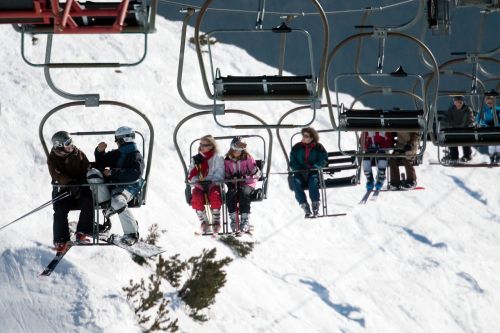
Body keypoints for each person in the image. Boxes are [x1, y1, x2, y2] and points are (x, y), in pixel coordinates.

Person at [94, 126, 144, 245]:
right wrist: (99, 152)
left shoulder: (135, 155)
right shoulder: (118, 153)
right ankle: (104, 222)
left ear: (123, 140)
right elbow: (101, 162)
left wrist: (113, 172)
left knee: (117, 201)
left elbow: (135, 174)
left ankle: (132, 234)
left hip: (130, 186)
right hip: (116, 185)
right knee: (95, 181)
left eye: (117, 139)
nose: (116, 142)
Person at [48, 131, 93, 252]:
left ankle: (82, 231)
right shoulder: (53, 159)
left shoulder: (77, 153)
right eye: (67, 143)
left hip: (81, 187)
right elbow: (56, 175)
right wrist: (69, 183)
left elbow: (87, 168)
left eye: (71, 141)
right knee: (60, 209)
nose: (71, 145)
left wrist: (81, 182)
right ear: (59, 145)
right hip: (65, 189)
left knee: (88, 200)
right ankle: (61, 239)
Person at [188, 135, 224, 234]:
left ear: (212, 146)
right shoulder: (196, 159)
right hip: (200, 183)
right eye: (201, 144)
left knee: (214, 194)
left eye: (205, 145)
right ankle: (204, 221)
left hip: (213, 184)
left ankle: (216, 219)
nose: (202, 147)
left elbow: (220, 172)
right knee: (196, 196)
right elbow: (191, 173)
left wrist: (214, 182)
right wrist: (196, 182)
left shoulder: (218, 157)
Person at [224, 137, 261, 233]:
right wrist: (231, 179)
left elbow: (256, 173)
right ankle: (233, 219)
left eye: (240, 149)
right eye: (235, 149)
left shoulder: (248, 158)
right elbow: (226, 174)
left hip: (248, 183)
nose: (237, 152)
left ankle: (245, 220)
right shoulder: (227, 160)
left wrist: (244, 177)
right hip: (234, 184)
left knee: (243, 193)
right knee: (230, 194)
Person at [290, 127, 327, 218]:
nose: (303, 137)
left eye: (306, 136)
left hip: (312, 172)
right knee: (295, 182)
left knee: (313, 182)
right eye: (303, 135)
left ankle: (315, 207)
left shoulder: (319, 147)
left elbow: (324, 160)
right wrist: (298, 168)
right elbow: (293, 161)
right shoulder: (296, 147)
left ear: (312, 138)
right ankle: (305, 206)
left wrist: (315, 167)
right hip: (300, 173)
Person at [442, 96, 475, 163]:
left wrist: (468, 125)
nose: (458, 104)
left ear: (462, 102)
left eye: (460, 102)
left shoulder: (467, 110)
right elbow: (446, 119)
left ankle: (467, 156)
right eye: (457, 102)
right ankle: (454, 156)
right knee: (451, 138)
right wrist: (450, 125)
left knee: (466, 138)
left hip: (465, 132)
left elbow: (471, 120)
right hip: (454, 132)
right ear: (454, 102)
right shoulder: (451, 109)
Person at [476, 96, 500, 164]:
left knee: (498, 143)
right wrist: (484, 123)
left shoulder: (498, 109)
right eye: (488, 102)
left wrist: (497, 123)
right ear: (486, 103)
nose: (490, 104)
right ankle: (492, 157)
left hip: (497, 129)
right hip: (488, 129)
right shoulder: (484, 110)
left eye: (491, 102)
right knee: (491, 143)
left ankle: (498, 156)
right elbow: (478, 120)